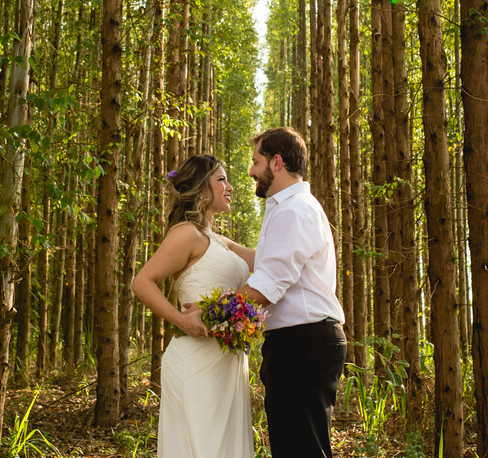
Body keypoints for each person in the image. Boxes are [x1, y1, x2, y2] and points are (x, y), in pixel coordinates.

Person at [132, 154, 256, 458]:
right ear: (202, 190)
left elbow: (271, 260)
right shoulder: (186, 233)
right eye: (221, 179)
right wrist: (181, 319)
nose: (229, 186)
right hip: (196, 361)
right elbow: (142, 282)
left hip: (227, 363)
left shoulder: (220, 241)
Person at [236, 126, 347, 458]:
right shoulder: (288, 208)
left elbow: (268, 286)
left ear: (276, 163)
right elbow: (271, 263)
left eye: (256, 161)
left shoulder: (295, 211)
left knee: (302, 450)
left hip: (304, 344)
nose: (252, 170)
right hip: (299, 343)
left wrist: (209, 312)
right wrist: (222, 244)